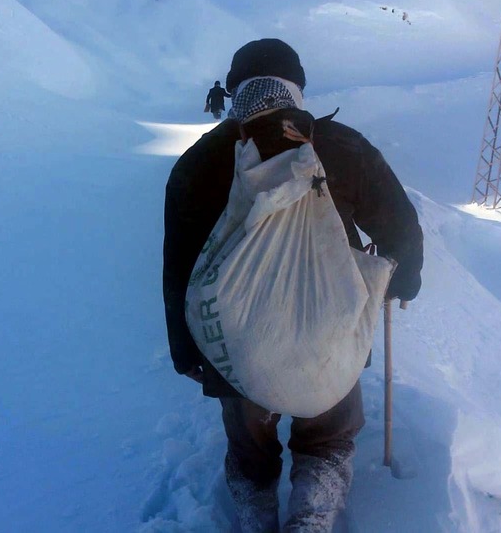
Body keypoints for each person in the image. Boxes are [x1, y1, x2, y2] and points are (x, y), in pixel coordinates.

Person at [163, 39, 424, 532]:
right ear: (297, 88)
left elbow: (179, 265)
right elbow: (400, 226)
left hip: (236, 341)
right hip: (329, 328)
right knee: (327, 438)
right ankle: (311, 519)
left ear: (234, 91)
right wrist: (402, 281)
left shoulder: (199, 162)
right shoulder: (342, 146)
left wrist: (186, 351)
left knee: (249, 446)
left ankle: (256, 517)